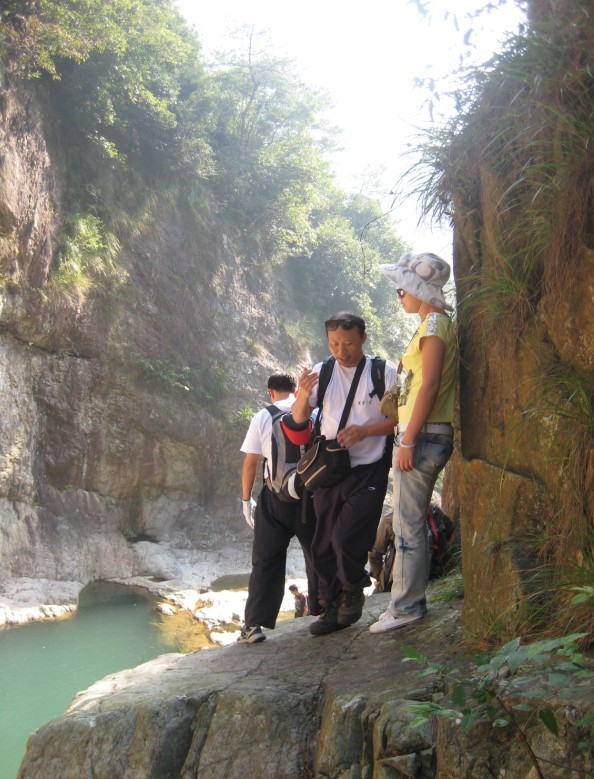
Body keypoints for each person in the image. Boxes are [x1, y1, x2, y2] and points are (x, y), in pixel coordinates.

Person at [292, 313, 398, 636]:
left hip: (368, 469)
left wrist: (365, 431)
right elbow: (299, 420)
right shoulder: (322, 373)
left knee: (346, 536)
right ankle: (330, 604)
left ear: (363, 338)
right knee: (322, 542)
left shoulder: (382, 373)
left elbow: (399, 419)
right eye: (334, 344)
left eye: (348, 343)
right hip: (330, 471)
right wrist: (302, 395)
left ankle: (353, 590)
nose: (341, 351)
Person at [369, 252, 457, 634]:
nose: (399, 296)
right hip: (422, 435)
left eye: (402, 290)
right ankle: (407, 603)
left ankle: (406, 607)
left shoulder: (434, 325)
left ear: (420, 290)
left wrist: (407, 440)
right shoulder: (434, 324)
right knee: (409, 523)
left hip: (421, 436)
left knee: (407, 526)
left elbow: (430, 385)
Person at [238, 373, 319, 644]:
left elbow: (251, 463)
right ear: (295, 391)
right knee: (317, 554)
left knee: (266, 560)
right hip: (310, 498)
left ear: (270, 392)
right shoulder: (313, 411)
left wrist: (246, 500)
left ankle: (254, 625)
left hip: (274, 500)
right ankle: (324, 610)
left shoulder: (263, 416)